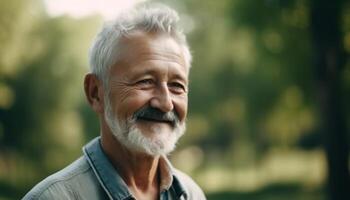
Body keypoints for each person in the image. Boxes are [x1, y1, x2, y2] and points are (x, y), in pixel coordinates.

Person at [23, 3, 206, 200]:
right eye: (145, 81)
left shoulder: (191, 194)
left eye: (177, 86)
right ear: (95, 93)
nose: (166, 103)